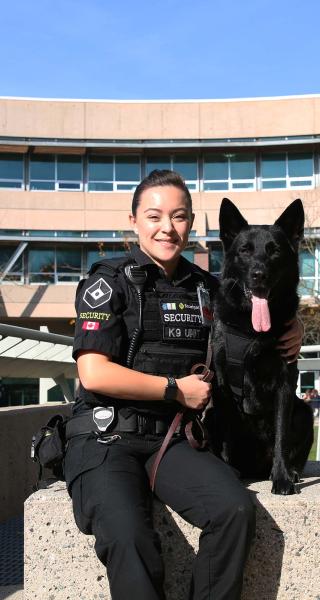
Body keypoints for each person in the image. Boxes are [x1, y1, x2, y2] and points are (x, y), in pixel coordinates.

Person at [64, 170, 303, 600]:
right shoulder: (108, 281)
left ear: (190, 224)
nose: (166, 227)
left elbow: (255, 314)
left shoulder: (207, 287)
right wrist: (175, 390)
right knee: (129, 536)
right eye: (154, 215)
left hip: (170, 442)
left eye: (178, 216)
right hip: (106, 437)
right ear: (134, 220)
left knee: (233, 510)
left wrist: (295, 327)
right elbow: (94, 372)